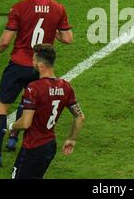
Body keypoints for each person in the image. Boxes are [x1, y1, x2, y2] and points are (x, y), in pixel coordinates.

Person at [0, 0, 73, 167]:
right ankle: (13, 138)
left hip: (18, 64)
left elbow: (5, 41)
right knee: (28, 104)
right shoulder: (58, 8)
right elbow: (68, 39)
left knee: (1, 107)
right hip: (40, 68)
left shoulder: (19, 7)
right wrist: (51, 31)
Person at [9, 44, 84, 179]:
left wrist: (12, 127)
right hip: (50, 146)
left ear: (40, 65)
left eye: (33, 60)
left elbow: (26, 123)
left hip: (32, 147)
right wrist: (71, 139)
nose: (32, 62)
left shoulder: (33, 88)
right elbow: (79, 117)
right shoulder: (65, 87)